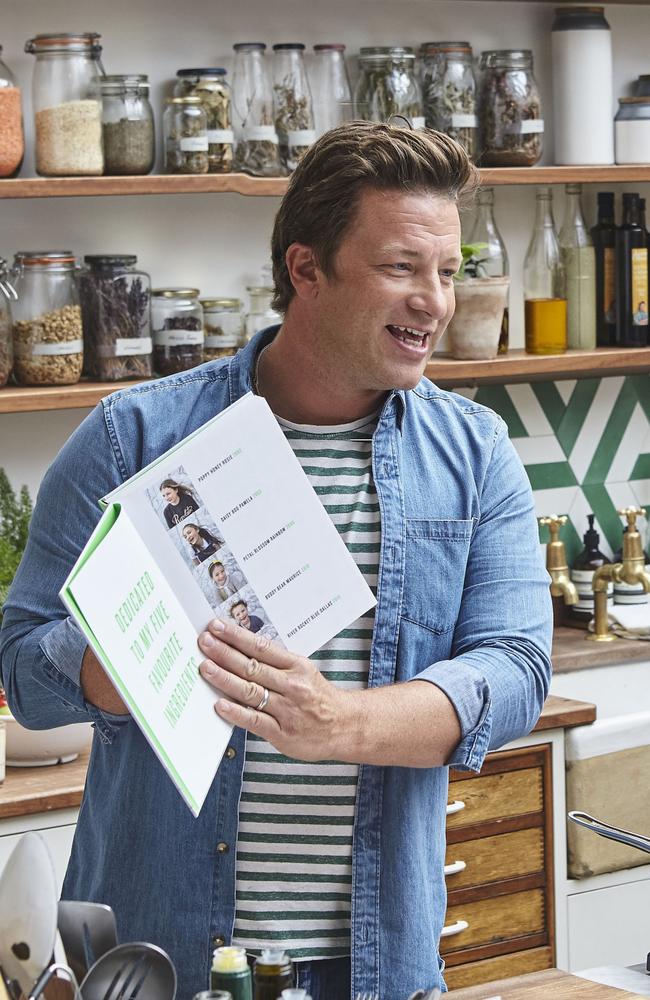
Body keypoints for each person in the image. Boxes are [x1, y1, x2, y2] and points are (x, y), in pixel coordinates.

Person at [0, 122, 552, 1000]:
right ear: (306, 270)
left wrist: (342, 723)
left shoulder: (475, 454)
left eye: (447, 271)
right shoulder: (130, 437)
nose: (435, 302)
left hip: (371, 964)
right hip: (157, 956)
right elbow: (24, 668)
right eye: (402, 268)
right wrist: (131, 664)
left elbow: (517, 668)